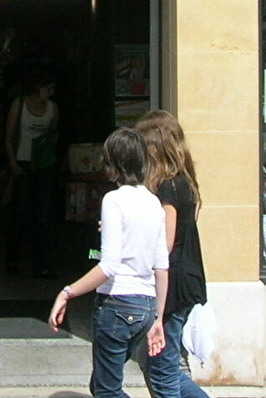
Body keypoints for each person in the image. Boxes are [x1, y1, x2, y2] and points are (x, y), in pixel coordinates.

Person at [49, 128, 168, 398]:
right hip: (145, 305)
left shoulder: (113, 200)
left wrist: (67, 292)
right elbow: (161, 266)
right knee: (103, 385)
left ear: (111, 163)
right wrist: (158, 317)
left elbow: (109, 266)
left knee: (106, 390)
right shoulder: (153, 202)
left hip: (117, 305)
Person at [136, 110, 211, 398]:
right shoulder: (186, 182)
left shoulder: (167, 187)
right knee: (160, 365)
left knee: (164, 371)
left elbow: (164, 245)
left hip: (174, 285)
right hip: (186, 279)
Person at [3, 69, 60, 276]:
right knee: (20, 213)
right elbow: (9, 137)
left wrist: (46, 148)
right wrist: (13, 164)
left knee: (42, 215)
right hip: (22, 163)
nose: (51, 92)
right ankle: (12, 260)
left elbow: (54, 134)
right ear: (38, 88)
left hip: (43, 164)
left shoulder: (53, 108)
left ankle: (42, 263)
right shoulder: (20, 104)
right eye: (49, 88)